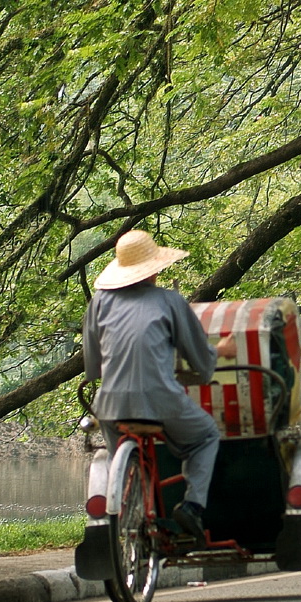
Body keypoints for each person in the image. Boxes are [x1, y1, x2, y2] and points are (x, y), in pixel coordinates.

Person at [82, 230, 225, 547]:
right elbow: (201, 360)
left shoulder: (99, 303)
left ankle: (126, 503)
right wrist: (210, 364)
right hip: (161, 399)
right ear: (154, 269)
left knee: (115, 455)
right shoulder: (169, 301)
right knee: (205, 436)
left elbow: (92, 366)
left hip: (109, 405)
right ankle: (192, 506)